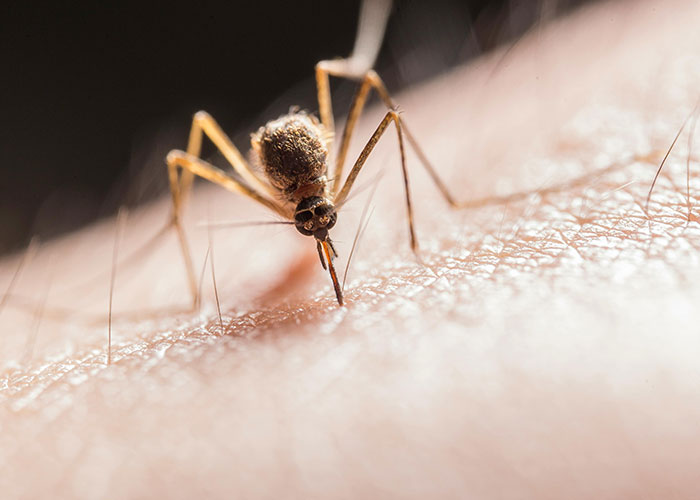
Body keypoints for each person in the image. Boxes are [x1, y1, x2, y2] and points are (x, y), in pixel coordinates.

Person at [2, 0, 700, 497]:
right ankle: (183, 287)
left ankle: (451, 208)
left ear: (323, 201)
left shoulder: (327, 180)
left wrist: (433, 221)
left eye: (318, 219)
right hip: (277, 161)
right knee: (193, 149)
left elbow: (378, 99)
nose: (318, 229)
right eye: (311, 220)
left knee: (377, 100)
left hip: (307, 153)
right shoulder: (282, 192)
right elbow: (192, 158)